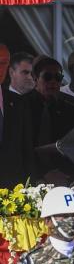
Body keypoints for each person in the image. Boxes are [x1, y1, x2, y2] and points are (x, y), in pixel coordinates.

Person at [1, 51, 36, 187]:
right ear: (12, 72)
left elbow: (28, 146)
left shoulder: (32, 102)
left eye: (33, 74)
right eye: (25, 72)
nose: (30, 77)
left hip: (18, 180)